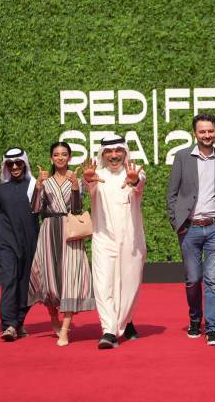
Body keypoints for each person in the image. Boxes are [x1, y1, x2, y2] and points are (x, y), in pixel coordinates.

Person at [167, 113, 215, 346]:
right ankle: (195, 319)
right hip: (190, 229)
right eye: (202, 131)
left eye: (210, 131)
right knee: (193, 280)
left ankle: (213, 328)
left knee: (214, 280)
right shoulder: (182, 157)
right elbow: (172, 194)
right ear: (195, 134)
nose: (207, 135)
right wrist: (178, 223)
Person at [27, 141, 95, 347]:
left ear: (69, 157)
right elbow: (36, 209)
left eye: (64, 154)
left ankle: (65, 330)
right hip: (48, 230)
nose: (60, 158)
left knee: (71, 278)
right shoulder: (44, 180)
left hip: (69, 230)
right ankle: (53, 316)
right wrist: (38, 185)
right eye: (56, 155)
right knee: (47, 277)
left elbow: (76, 209)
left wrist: (75, 187)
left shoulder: (76, 180)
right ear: (51, 158)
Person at [82, 135, 146, 349]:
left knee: (130, 284)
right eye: (109, 152)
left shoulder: (134, 172)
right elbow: (89, 185)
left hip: (132, 239)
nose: (114, 155)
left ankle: (126, 321)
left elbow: (139, 185)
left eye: (118, 150)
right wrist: (88, 180)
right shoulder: (95, 175)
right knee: (103, 284)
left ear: (125, 153)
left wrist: (135, 180)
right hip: (103, 239)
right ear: (102, 155)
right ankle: (109, 330)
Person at [0, 148, 40, 341]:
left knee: (27, 285)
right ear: (6, 166)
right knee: (9, 281)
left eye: (19, 163)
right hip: (7, 243)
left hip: (31, 242)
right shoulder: (0, 189)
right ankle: (9, 324)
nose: (15, 167)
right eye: (11, 164)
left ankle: (18, 321)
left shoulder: (35, 185)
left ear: (25, 164)